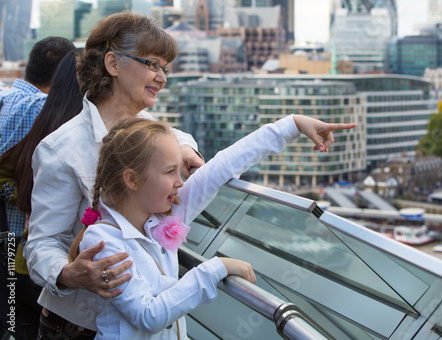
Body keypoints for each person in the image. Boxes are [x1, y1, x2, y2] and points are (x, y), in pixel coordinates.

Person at [68, 113, 355, 339]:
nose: (180, 181)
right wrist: (216, 267)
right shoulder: (103, 241)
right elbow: (148, 315)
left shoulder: (163, 216)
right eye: (170, 172)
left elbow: (222, 167)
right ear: (132, 180)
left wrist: (291, 125)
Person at [24, 11, 205, 339]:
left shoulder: (153, 132)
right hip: (81, 326)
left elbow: (173, 139)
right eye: (152, 64)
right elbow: (42, 242)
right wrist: (68, 273)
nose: (161, 77)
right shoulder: (61, 149)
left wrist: (185, 147)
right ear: (113, 64)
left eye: (165, 68)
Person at [0, 49, 84, 340]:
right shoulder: (74, 135)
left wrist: (23, 200)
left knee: (17, 326)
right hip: (55, 267)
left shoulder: (30, 117)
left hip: (22, 255)